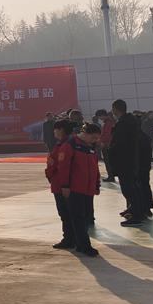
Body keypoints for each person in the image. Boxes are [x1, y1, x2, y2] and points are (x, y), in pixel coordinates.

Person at [54, 121, 103, 257]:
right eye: (93, 137)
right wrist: (65, 186)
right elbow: (64, 167)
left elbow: (95, 168)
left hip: (88, 189)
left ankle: (78, 243)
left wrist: (96, 184)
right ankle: (84, 246)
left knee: (85, 217)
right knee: (78, 217)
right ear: (85, 133)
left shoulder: (89, 147)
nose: (95, 140)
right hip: (75, 189)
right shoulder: (70, 145)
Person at [109, 99, 149, 225]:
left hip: (125, 161)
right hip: (131, 160)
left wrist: (111, 151)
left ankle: (137, 215)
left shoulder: (123, 124)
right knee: (133, 188)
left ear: (115, 109)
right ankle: (137, 210)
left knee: (129, 189)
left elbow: (119, 144)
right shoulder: (131, 122)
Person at [45, 118, 75, 249]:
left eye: (55, 130)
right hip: (62, 183)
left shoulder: (64, 146)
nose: (54, 132)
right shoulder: (68, 143)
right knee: (68, 213)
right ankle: (72, 238)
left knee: (65, 213)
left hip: (61, 184)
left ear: (61, 130)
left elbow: (62, 167)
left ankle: (69, 239)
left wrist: (64, 185)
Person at [98, 110, 116, 182]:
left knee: (108, 161)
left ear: (103, 115)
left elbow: (107, 134)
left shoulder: (108, 123)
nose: (100, 118)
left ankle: (111, 176)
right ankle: (111, 176)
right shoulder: (108, 122)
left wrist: (102, 142)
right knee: (109, 161)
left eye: (100, 117)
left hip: (107, 145)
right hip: (108, 144)